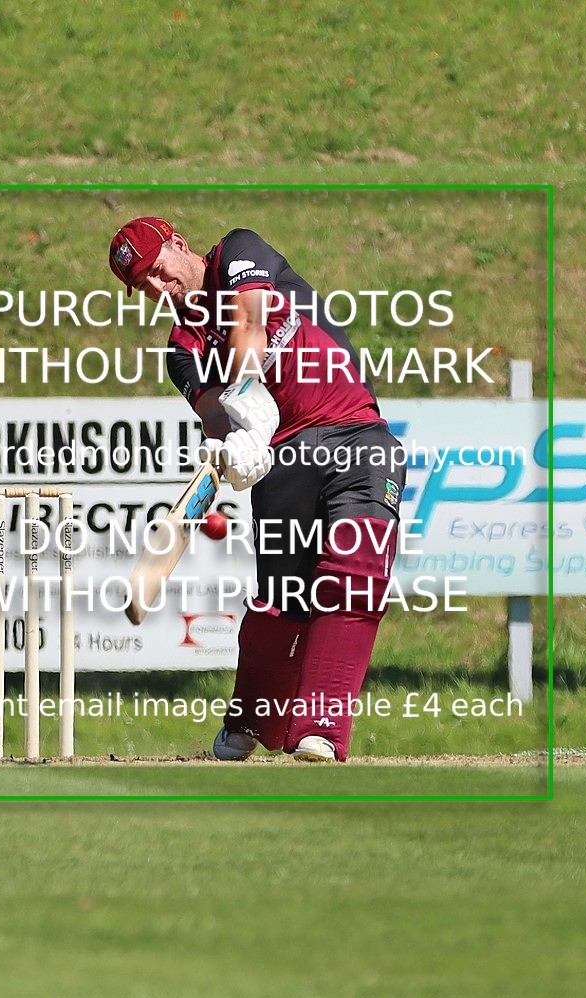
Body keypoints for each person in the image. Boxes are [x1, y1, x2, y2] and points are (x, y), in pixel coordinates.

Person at [108, 217, 406, 762]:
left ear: (178, 243)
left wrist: (247, 387)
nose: (155, 287)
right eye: (141, 284)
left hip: (356, 432)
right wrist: (235, 450)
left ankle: (319, 730)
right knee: (279, 605)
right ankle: (249, 722)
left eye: (156, 269)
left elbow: (249, 320)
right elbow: (214, 418)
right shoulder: (181, 349)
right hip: (284, 458)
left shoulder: (238, 251)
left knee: (355, 575)